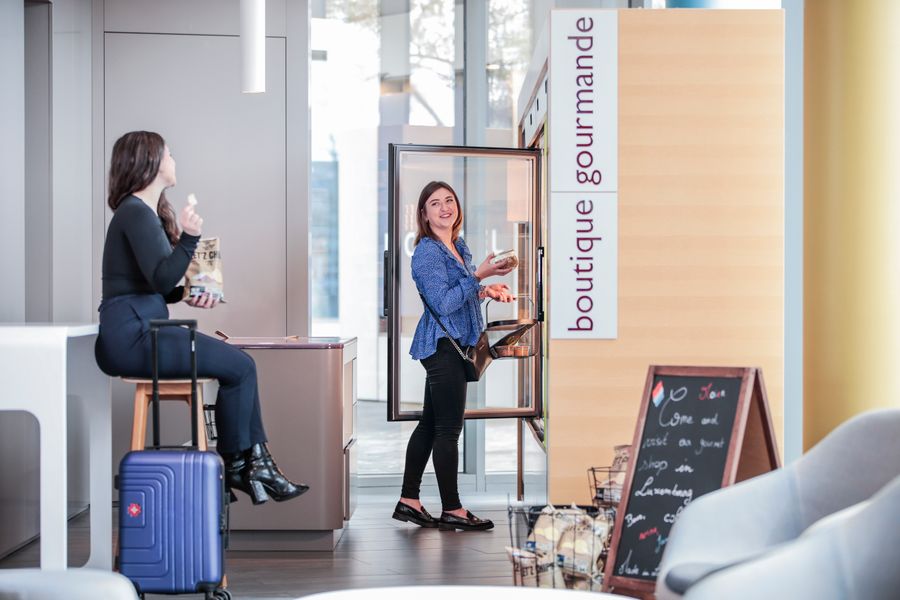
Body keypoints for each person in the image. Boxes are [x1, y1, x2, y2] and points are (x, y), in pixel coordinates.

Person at [94, 130, 307, 506]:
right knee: (241, 367)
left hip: (137, 331)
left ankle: (251, 464)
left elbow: (153, 286)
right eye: (169, 154)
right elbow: (162, 277)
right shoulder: (135, 212)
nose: (174, 160)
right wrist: (191, 238)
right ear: (151, 161)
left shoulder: (138, 212)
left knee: (240, 366)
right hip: (134, 338)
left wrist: (185, 295)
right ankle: (243, 464)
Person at [393, 180, 515, 532]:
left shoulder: (458, 245)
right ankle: (453, 509)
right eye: (435, 203)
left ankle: (409, 500)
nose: (445, 207)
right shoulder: (427, 252)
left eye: (449, 200)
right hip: (442, 346)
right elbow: (444, 303)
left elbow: (459, 293)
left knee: (430, 425)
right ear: (423, 214)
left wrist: (485, 289)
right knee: (448, 430)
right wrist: (478, 276)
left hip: (455, 342)